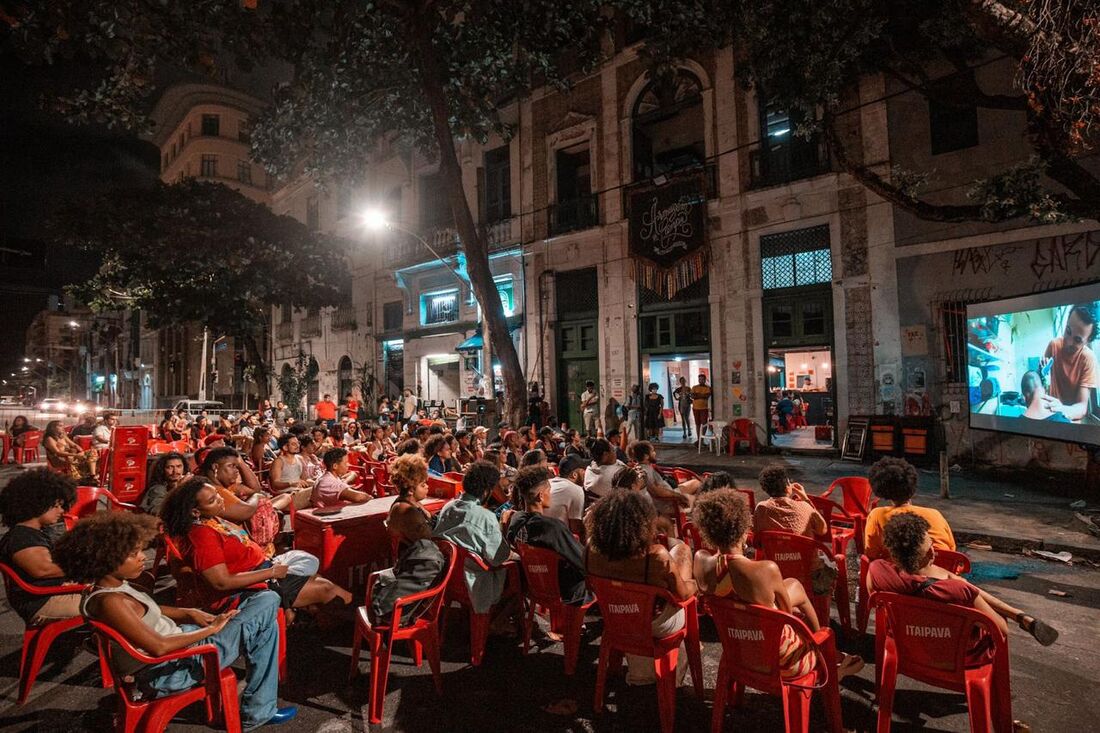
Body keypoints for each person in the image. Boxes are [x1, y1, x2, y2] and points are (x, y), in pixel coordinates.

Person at [53, 513, 298, 729]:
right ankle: (258, 711)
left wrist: (190, 612)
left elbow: (148, 610)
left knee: (264, 618)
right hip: (171, 669)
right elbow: (158, 646)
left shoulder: (111, 589)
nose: (142, 557)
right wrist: (212, 629)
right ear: (105, 559)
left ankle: (259, 710)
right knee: (267, 601)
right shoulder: (110, 602)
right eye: (133, 554)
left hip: (178, 650)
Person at [691, 489, 864, 680]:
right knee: (796, 605)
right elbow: (788, 615)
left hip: (738, 651)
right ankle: (824, 651)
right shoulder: (765, 570)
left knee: (793, 587)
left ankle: (828, 654)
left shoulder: (700, 561)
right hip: (781, 661)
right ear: (743, 528)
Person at [159, 477, 351, 617]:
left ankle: (316, 616)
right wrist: (272, 573)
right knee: (328, 590)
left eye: (217, 495)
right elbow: (221, 582)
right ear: (195, 512)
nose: (220, 499)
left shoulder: (213, 519)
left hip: (262, 569)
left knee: (318, 577)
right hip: (249, 588)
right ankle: (360, 624)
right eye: (212, 501)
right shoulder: (201, 535)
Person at [869, 512, 1058, 647]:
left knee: (952, 581)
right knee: (967, 593)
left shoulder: (876, 571)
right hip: (957, 653)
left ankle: (1019, 615)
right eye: (931, 546)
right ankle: (1018, 616)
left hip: (907, 643)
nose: (934, 549)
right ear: (930, 553)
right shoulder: (958, 591)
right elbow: (1000, 630)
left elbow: (876, 601)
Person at [584, 490, 695, 685]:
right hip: (653, 623)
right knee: (682, 550)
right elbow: (682, 594)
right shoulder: (656, 556)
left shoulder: (590, 550)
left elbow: (589, 586)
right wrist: (695, 585)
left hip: (614, 616)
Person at [432, 460, 513, 619]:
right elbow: (500, 556)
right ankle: (497, 622)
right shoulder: (486, 517)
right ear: (486, 492)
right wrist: (503, 525)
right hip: (474, 583)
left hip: (447, 578)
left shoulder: (449, 506)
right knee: (516, 575)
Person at [0, 469, 80, 625]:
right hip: (43, 602)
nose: (62, 511)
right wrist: (92, 566)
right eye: (57, 506)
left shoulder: (30, 532)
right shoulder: (22, 535)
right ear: (39, 503)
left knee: (115, 591)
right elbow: (43, 570)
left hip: (47, 595)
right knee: (113, 601)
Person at [505, 466, 591, 609]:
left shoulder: (515, 519)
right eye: (549, 490)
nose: (551, 494)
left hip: (533, 584)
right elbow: (583, 562)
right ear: (540, 496)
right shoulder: (553, 528)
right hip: (563, 592)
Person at [864, 456, 955, 561]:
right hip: (944, 570)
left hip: (902, 573)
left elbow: (871, 554)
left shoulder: (877, 515)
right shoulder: (936, 514)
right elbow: (952, 548)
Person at [1039, 303, 1098, 421]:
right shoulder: (1053, 345)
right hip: (1047, 415)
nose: (1068, 342)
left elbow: (1082, 407)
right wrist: (1041, 371)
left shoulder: (1088, 359)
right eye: (1068, 331)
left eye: (1077, 340)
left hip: (1069, 422)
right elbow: (1041, 384)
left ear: (1088, 340)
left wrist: (1062, 409)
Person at [753, 465, 829, 540]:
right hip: (803, 552)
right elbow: (822, 530)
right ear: (787, 488)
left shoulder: (761, 508)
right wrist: (805, 498)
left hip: (772, 552)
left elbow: (757, 538)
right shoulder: (805, 506)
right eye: (789, 483)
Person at [386, 454, 437, 553]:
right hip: (417, 559)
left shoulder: (412, 503)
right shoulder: (407, 511)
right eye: (423, 485)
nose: (427, 486)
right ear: (410, 489)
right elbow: (430, 539)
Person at [631, 441, 700, 508]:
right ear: (646, 456)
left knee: (696, 483)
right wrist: (679, 496)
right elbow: (657, 491)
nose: (655, 453)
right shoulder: (645, 471)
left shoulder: (642, 467)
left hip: (670, 492)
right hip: (669, 502)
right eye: (652, 451)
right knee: (700, 497)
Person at [546, 454, 588, 539]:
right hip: (557, 542)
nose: (585, 474)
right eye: (583, 471)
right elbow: (575, 529)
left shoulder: (548, 482)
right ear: (574, 475)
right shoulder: (576, 489)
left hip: (541, 536)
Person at [268, 435, 314, 509]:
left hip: (300, 492)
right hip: (287, 497)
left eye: (298, 443)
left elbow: (304, 480)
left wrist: (316, 482)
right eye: (293, 444)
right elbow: (275, 484)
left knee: (321, 486)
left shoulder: (300, 458)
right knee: (316, 490)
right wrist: (291, 484)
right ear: (285, 447)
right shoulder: (279, 461)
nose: (298, 446)